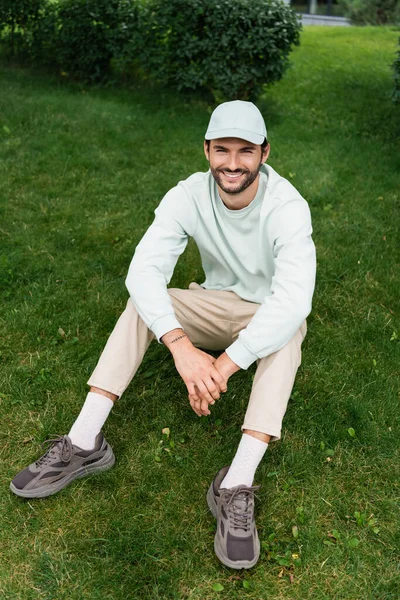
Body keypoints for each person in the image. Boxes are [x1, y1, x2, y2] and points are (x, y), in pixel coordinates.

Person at [10, 100, 316, 570]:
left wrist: (224, 364)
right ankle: (85, 440)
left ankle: (235, 483)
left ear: (265, 153)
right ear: (206, 151)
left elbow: (294, 300)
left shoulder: (289, 207)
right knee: (144, 302)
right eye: (222, 150)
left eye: (245, 151)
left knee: (289, 331)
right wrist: (179, 345)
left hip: (269, 313)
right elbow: (143, 270)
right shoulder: (188, 195)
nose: (232, 163)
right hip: (214, 304)